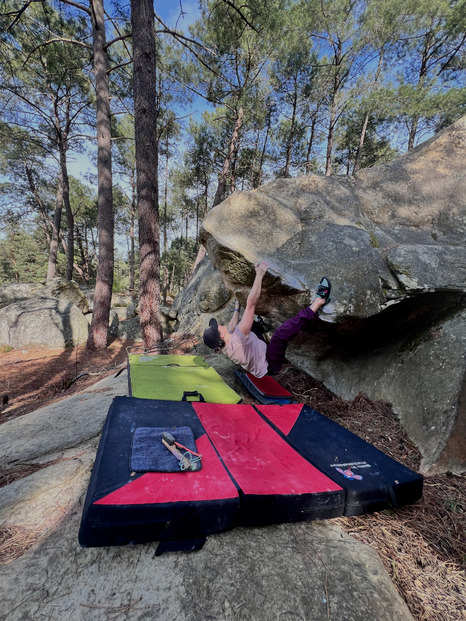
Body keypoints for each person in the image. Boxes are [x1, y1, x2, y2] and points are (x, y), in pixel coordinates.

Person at [203, 261, 331, 378]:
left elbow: (231, 328)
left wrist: (236, 309)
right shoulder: (238, 340)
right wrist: (259, 275)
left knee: (246, 325)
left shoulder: (225, 344)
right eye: (217, 328)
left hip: (255, 349)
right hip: (269, 363)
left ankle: (261, 327)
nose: (219, 325)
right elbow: (251, 305)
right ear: (221, 337)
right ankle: (319, 301)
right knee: (280, 334)